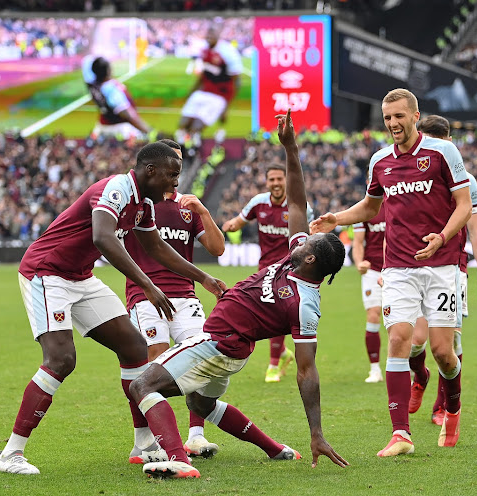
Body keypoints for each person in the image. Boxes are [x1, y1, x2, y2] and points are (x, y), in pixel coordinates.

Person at [130, 109, 349, 479]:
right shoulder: (295, 259)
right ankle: (275, 449)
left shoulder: (304, 303)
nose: (301, 233)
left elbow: (307, 371)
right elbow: (297, 200)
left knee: (141, 384)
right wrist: (290, 147)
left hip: (216, 344)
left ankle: (176, 458)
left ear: (310, 256)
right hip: (232, 353)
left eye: (307, 239)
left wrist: (317, 432)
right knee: (201, 401)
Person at [0, 141, 226, 475]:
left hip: (79, 276)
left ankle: (143, 444)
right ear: (151, 170)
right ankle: (10, 453)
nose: (176, 183)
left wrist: (203, 277)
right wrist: (147, 284)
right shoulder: (116, 188)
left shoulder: (144, 202)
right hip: (46, 273)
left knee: (134, 347)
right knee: (61, 359)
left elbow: (155, 246)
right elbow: (103, 237)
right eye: (172, 175)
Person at [310, 88, 472, 456]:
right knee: (400, 338)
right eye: (387, 118)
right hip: (398, 267)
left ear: (415, 116)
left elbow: (464, 206)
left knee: (443, 352)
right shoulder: (380, 160)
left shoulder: (443, 152)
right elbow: (369, 207)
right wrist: (338, 218)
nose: (393, 124)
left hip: (442, 265)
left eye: (399, 116)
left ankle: (454, 407)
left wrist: (443, 235)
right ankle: (401, 434)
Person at [123, 140, 226, 459]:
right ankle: (156, 441)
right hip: (145, 296)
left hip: (186, 298)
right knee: (155, 361)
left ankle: (195, 436)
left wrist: (204, 211)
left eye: (179, 165)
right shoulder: (135, 204)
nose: (176, 173)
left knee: (200, 359)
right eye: (171, 165)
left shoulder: (187, 207)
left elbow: (217, 249)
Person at [406, 115, 477, 424]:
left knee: (450, 345)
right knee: (413, 343)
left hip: (451, 269)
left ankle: (442, 406)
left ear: (447, 143)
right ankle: (420, 377)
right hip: (414, 266)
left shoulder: (464, 179)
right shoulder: (411, 171)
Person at [222, 165, 314, 383]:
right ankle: (281, 354)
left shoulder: (300, 205)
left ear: (286, 180)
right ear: (267, 182)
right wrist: (230, 226)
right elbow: (240, 220)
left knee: (279, 310)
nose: (275, 183)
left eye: (279, 179)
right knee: (271, 313)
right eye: (271, 179)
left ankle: (273, 364)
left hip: (291, 268)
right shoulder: (258, 202)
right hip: (265, 269)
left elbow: (310, 233)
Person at [176, 24, 243, 152]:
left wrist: (226, 106)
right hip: (203, 92)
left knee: (197, 126)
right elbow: (203, 77)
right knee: (183, 124)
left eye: (212, 35)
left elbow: (236, 81)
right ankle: (182, 150)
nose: (209, 37)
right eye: (208, 35)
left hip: (219, 96)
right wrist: (191, 93)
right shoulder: (204, 51)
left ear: (218, 36)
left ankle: (193, 152)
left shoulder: (228, 53)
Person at [351, 206, 387, 383]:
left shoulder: (399, 200)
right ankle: (375, 370)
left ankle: (409, 366)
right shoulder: (365, 208)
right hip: (372, 270)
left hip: (399, 268)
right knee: (373, 315)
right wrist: (359, 262)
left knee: (401, 319)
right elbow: (358, 242)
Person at [82, 55, 152, 140]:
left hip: (103, 124)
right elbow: (127, 115)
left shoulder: (92, 85)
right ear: (108, 70)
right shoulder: (112, 90)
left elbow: (87, 66)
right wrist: (150, 131)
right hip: (120, 129)